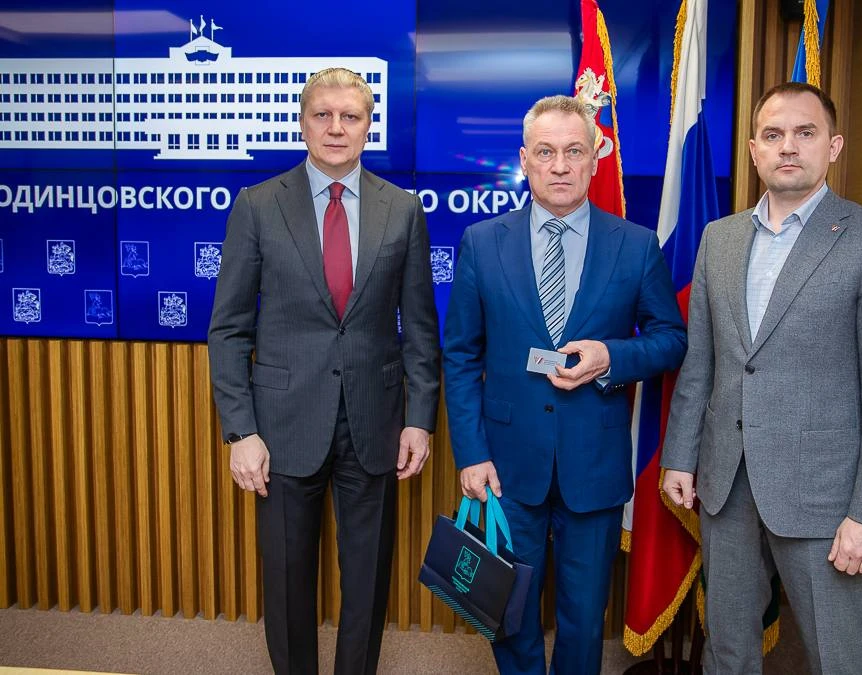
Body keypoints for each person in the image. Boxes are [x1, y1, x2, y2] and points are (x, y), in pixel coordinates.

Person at [661, 82, 862, 674]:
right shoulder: (719, 238)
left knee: (840, 657)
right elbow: (702, 362)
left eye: (805, 133)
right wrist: (680, 456)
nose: (788, 146)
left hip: (826, 497)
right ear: (754, 150)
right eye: (773, 134)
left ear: (833, 146)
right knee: (727, 648)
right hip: (726, 483)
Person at [442, 95, 687, 674]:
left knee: (583, 616)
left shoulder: (634, 244)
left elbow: (671, 339)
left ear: (595, 159)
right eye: (546, 152)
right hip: (505, 466)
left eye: (574, 151)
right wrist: (471, 453)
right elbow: (461, 355)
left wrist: (611, 356)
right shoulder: (482, 242)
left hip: (594, 462)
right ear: (524, 159)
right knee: (507, 607)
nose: (559, 165)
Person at [207, 67, 440, 675]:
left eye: (350, 116)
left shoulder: (403, 210)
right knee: (287, 581)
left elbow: (420, 329)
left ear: (368, 126)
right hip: (281, 428)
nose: (336, 128)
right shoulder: (258, 205)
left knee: (368, 580)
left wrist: (419, 420)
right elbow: (228, 329)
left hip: (375, 423)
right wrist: (240, 431)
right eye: (323, 115)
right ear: (303, 122)